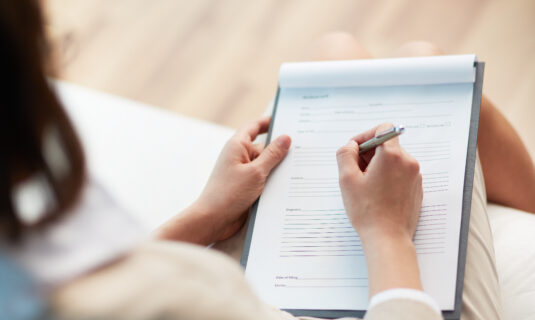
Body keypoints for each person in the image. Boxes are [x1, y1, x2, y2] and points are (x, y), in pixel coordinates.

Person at [2, 1, 535, 319]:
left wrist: (204, 216)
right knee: (431, 68)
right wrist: (386, 234)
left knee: (337, 52)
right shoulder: (164, 298)